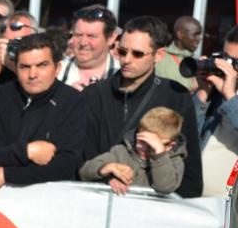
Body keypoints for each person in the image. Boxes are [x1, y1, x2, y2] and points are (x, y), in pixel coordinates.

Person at [83, 16, 203, 198]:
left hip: (153, 211)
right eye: (122, 52)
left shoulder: (176, 96)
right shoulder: (93, 95)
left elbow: (190, 171)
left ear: (159, 55)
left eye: (137, 54)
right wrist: (105, 177)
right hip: (97, 202)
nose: (126, 60)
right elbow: (81, 157)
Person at [0, 33, 85, 200]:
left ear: (57, 68)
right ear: (16, 68)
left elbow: (65, 166)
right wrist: (27, 152)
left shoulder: (73, 102)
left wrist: (5, 173)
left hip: (54, 204)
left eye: (42, 65)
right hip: (0, 202)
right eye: (25, 67)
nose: (33, 74)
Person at [79, 106, 187, 195]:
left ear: (169, 146)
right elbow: (84, 172)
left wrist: (159, 155)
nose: (144, 148)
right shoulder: (121, 152)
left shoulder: (175, 162)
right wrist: (106, 169)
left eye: (152, 146)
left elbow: (165, 187)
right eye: (141, 141)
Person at [195, 26, 238, 197]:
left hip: (230, 214)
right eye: (227, 59)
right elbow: (186, 136)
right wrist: (202, 92)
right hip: (195, 201)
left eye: (236, 62)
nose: (229, 68)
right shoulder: (216, 93)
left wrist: (230, 96)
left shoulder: (226, 94)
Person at [59, 5, 119, 91]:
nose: (83, 43)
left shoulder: (123, 76)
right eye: (78, 35)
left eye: (92, 36)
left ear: (111, 38)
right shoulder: (55, 74)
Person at [155, 16, 202, 92]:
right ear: (179, 34)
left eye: (199, 34)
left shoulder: (197, 61)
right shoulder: (160, 58)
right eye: (195, 34)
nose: (199, 38)